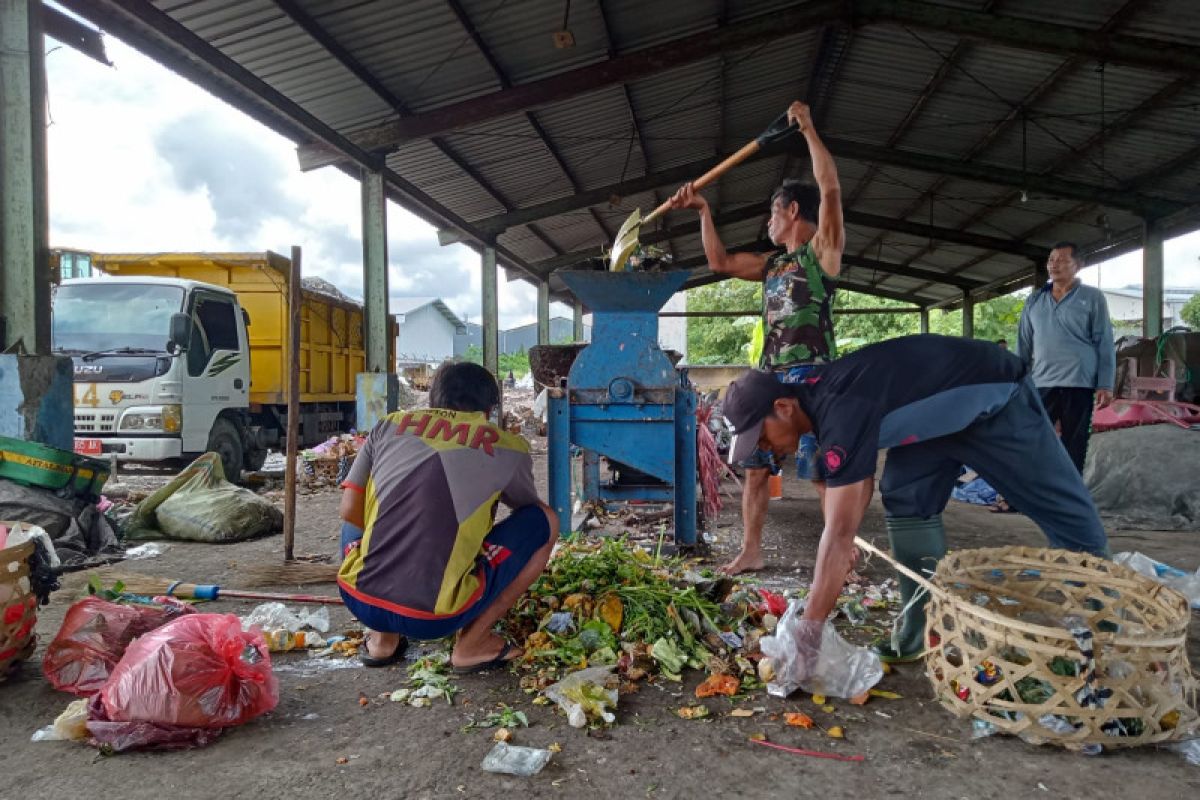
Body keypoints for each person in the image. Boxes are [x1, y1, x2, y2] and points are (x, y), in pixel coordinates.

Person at [721, 334, 1109, 665]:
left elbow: (839, 535)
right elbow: (852, 496)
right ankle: (920, 633)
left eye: (763, 436)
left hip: (994, 397)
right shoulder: (818, 400)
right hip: (931, 424)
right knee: (906, 496)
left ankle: (1107, 633)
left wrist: (809, 633)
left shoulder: (841, 409)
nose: (766, 449)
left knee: (1062, 508)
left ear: (784, 408)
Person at [667, 100, 844, 575]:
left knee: (828, 473)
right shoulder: (772, 265)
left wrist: (808, 129)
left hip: (814, 381)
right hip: (771, 379)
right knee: (755, 468)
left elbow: (828, 189)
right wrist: (702, 210)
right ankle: (751, 548)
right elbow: (720, 263)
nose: (768, 222)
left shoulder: (819, 254)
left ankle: (840, 560)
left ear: (790, 211)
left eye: (772, 213)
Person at [336, 361, 558, 671]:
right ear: (489, 409)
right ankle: (472, 644)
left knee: (357, 514)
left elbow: (350, 512)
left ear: (431, 399)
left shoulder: (386, 425)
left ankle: (382, 642)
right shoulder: (508, 445)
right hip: (436, 617)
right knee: (544, 520)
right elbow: (525, 510)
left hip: (359, 599)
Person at [1017, 242, 1116, 473]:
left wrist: (1105, 383)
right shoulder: (1034, 300)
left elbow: (1104, 341)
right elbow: (1023, 343)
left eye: (1061, 259)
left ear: (1078, 265)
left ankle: (1070, 499)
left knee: (1075, 441)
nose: (1054, 264)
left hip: (1079, 381)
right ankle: (1022, 496)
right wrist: (1018, 379)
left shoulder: (1093, 297)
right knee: (1031, 438)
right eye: (1051, 259)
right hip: (1041, 381)